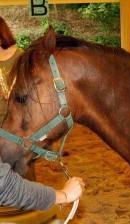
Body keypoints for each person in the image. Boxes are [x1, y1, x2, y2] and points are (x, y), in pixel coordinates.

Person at [0, 17, 85, 210]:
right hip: (4, 126)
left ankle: (28, 208)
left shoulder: (20, 59)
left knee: (22, 170)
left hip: (18, 124)